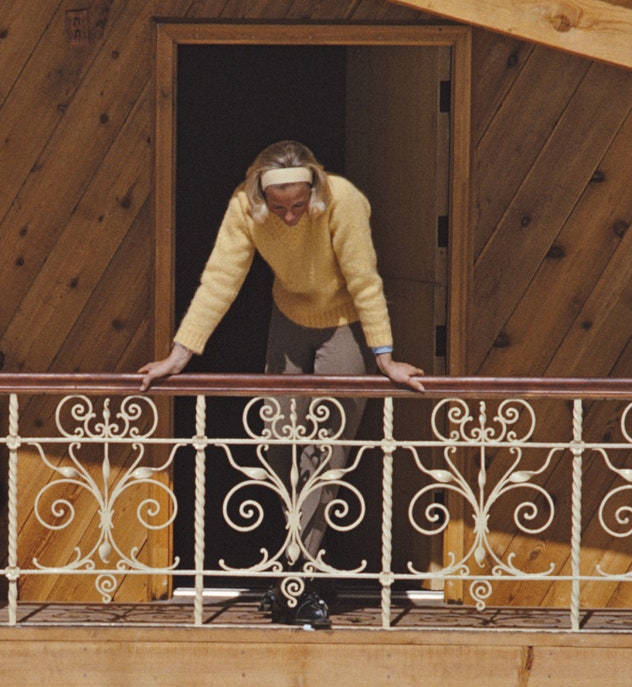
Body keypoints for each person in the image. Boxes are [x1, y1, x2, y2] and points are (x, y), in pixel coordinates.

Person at [136, 141, 426, 631]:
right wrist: (179, 355)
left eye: (298, 205)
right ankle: (306, 567)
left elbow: (364, 279)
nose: (290, 216)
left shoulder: (342, 200)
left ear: (313, 189)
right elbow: (221, 279)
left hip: (343, 322)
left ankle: (297, 579)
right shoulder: (244, 208)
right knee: (278, 443)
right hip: (288, 317)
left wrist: (385, 358)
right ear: (260, 195)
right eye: (279, 207)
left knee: (326, 452)